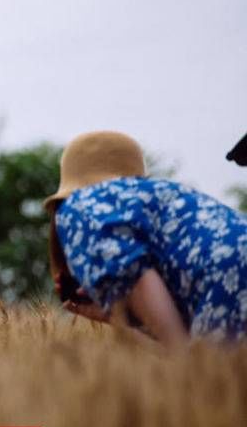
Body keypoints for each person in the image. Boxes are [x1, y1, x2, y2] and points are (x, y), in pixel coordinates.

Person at [45, 131, 247, 347]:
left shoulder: (80, 207)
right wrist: (117, 316)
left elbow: (135, 279)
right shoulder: (167, 199)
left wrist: (187, 362)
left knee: (209, 378)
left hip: (231, 275)